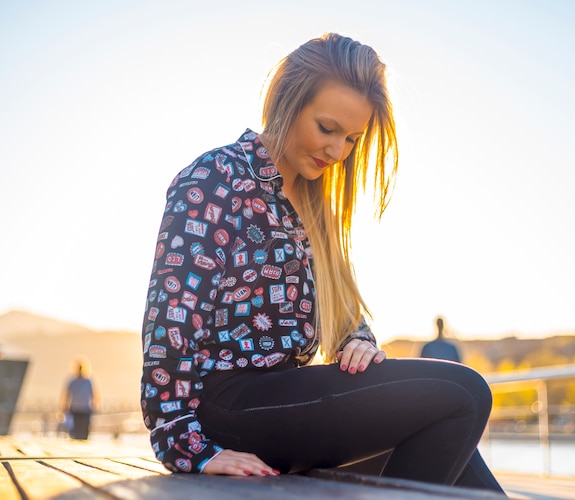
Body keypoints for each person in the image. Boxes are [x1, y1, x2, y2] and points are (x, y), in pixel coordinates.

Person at [140, 33, 505, 494]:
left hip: (289, 400)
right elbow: (171, 317)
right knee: (465, 395)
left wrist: (357, 339)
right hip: (225, 407)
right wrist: (183, 444)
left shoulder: (316, 206)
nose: (338, 151)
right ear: (287, 103)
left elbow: (340, 305)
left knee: (459, 449)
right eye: (327, 128)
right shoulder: (214, 179)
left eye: (352, 138)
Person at [61, 358, 97, 440]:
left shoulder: (88, 381)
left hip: (85, 409)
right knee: (75, 430)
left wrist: (94, 405)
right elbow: (67, 394)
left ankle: (83, 442)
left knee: (84, 430)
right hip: (75, 409)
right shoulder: (72, 381)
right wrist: (65, 406)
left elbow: (93, 394)